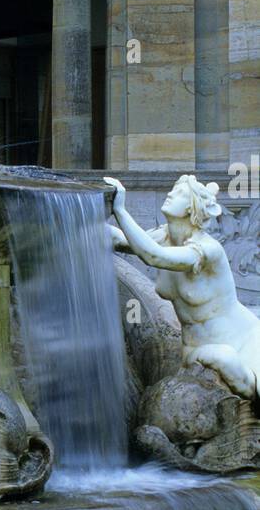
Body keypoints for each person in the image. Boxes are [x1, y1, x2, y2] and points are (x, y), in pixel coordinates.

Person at [106, 172, 260, 401]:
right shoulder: (165, 236)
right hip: (197, 349)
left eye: (178, 193)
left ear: (191, 208)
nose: (169, 194)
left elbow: (154, 257)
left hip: (247, 337)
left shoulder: (208, 250)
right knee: (224, 358)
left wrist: (120, 209)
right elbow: (121, 241)